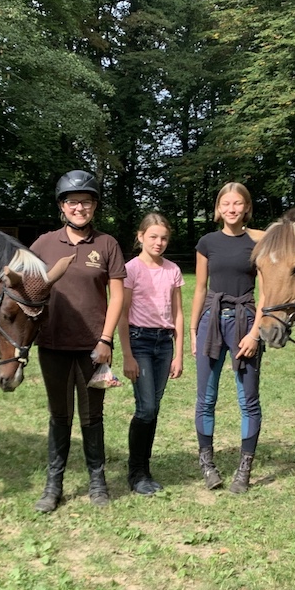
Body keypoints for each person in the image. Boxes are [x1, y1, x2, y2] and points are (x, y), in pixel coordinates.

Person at [30, 170, 126, 512]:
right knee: (59, 416)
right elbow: (26, 288)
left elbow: (117, 296)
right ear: (62, 206)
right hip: (51, 345)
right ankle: (53, 485)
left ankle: (97, 482)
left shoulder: (107, 244)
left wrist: (106, 340)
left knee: (92, 416)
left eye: (86, 202)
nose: (79, 208)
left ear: (95, 206)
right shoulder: (43, 244)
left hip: (93, 348)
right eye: (73, 202)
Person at [190, 182, 266, 494]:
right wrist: (193, 331)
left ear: (246, 207)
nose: (231, 209)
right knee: (206, 398)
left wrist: (255, 334)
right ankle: (207, 464)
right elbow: (199, 288)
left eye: (237, 203)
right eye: (226, 204)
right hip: (210, 322)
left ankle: (244, 468)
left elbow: (266, 294)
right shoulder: (207, 242)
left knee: (248, 400)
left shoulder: (258, 243)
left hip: (245, 321)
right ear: (218, 208)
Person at [118, 212, 185, 495]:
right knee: (145, 408)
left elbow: (178, 313)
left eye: (164, 238)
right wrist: (127, 355)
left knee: (153, 408)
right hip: (140, 342)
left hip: (164, 344)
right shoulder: (130, 269)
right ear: (140, 237)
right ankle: (136, 472)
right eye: (153, 237)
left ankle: (144, 468)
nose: (159, 242)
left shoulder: (173, 270)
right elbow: (122, 313)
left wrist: (179, 354)